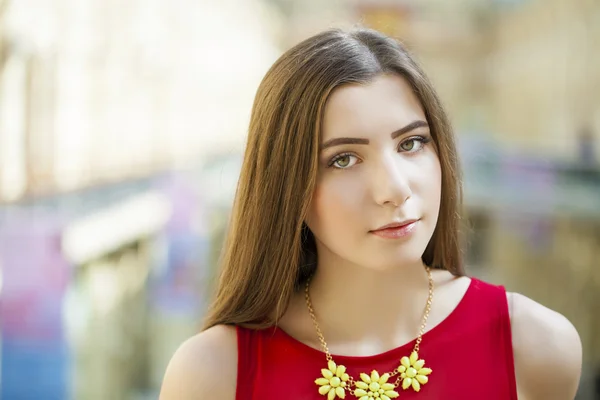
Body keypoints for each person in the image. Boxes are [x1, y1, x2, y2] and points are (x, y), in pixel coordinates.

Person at [159, 28, 582, 400]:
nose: (395, 188)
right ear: (286, 187)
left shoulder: (535, 346)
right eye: (343, 159)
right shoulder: (212, 375)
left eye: (411, 143)